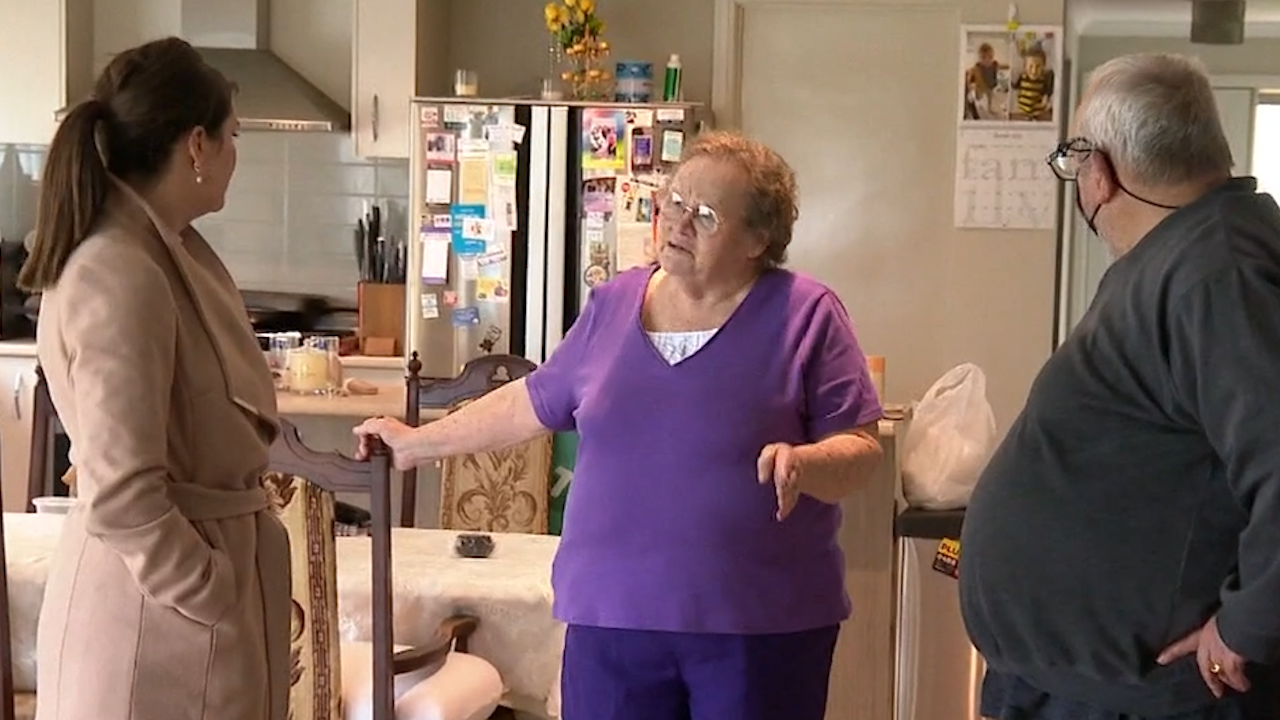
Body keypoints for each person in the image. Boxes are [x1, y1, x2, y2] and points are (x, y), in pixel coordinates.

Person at [354, 131, 884, 720]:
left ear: (760, 239)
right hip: (611, 621)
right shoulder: (612, 303)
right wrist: (417, 444)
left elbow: (861, 448)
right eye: (675, 202)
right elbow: (533, 401)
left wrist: (807, 463)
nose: (678, 223)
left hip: (757, 627)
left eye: (705, 215)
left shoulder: (806, 315)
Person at [959, 53, 1280, 720]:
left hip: (1141, 697)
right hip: (1082, 685)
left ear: (1097, 172)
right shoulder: (1190, 256)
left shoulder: (1217, 272)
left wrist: (1247, 626)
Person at [22, 37, 289, 720]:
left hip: (181, 623)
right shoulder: (119, 269)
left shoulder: (161, 250)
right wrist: (211, 591)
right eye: (232, 135)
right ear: (195, 145)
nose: (236, 153)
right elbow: (123, 494)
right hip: (153, 637)